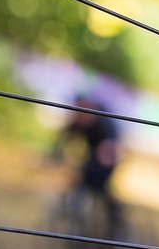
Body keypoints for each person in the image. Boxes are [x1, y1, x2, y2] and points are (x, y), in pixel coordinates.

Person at [52, 93, 124, 239]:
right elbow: (62, 141)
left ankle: (115, 231)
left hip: (108, 155)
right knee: (80, 183)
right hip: (93, 155)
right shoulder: (78, 121)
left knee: (101, 188)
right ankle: (80, 223)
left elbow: (109, 151)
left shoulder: (104, 124)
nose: (77, 114)